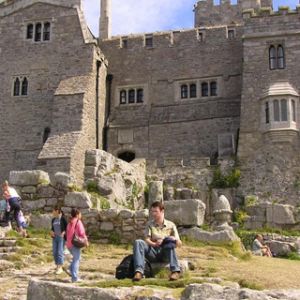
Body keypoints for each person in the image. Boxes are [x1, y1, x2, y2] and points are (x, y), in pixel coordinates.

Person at [132, 201, 182, 282]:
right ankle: (139, 272)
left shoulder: (171, 225)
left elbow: (179, 243)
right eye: (152, 211)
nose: (153, 214)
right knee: (138, 242)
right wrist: (154, 244)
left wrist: (171, 239)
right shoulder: (149, 224)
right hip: (153, 252)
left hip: (165, 252)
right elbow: (147, 239)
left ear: (162, 211)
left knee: (169, 243)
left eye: (155, 211)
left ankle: (175, 271)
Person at [66, 208, 88, 283]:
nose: (81, 215)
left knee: (76, 258)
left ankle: (70, 269)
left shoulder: (70, 222)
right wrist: (86, 241)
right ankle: (74, 278)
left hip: (69, 244)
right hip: (75, 243)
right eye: (80, 214)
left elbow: (67, 233)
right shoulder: (78, 222)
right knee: (76, 260)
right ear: (77, 215)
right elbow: (82, 233)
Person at [51, 206, 68, 275]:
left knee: (60, 252)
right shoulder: (53, 220)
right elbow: (52, 228)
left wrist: (63, 233)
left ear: (57, 211)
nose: (52, 212)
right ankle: (57, 265)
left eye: (53, 211)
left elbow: (67, 228)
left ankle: (60, 267)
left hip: (61, 238)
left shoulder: (63, 219)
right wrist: (51, 232)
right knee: (55, 252)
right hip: (55, 238)